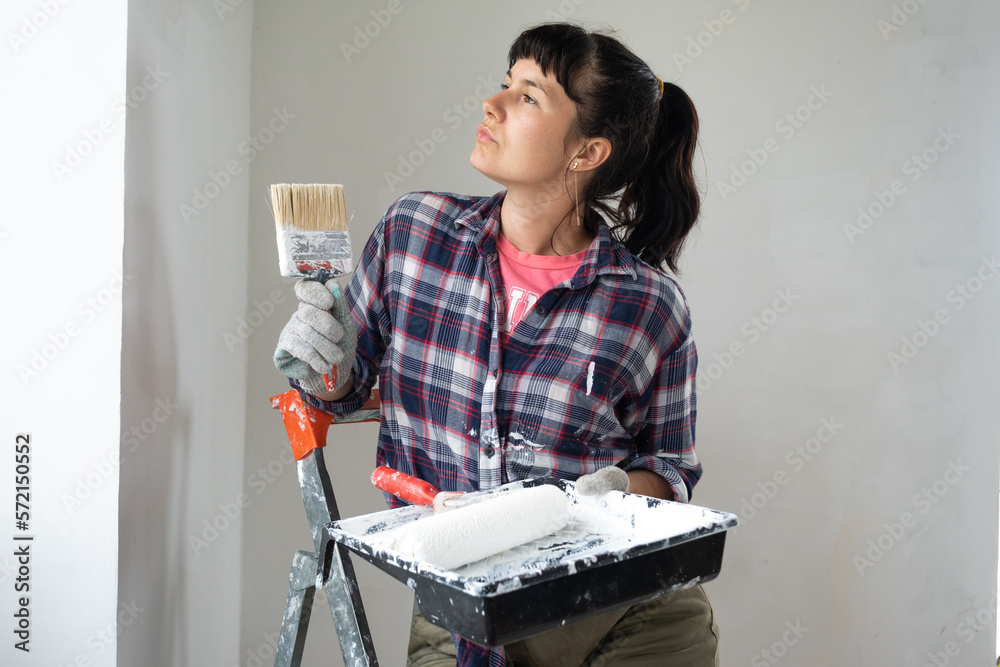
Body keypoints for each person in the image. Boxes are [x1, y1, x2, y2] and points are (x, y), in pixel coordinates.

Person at [275, 22, 717, 667]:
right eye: (505, 83)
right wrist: (321, 360)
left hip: (626, 610)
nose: (494, 103)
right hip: (460, 614)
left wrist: (596, 493)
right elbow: (340, 388)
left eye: (530, 96)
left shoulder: (647, 303)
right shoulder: (415, 234)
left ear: (587, 153)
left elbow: (673, 472)